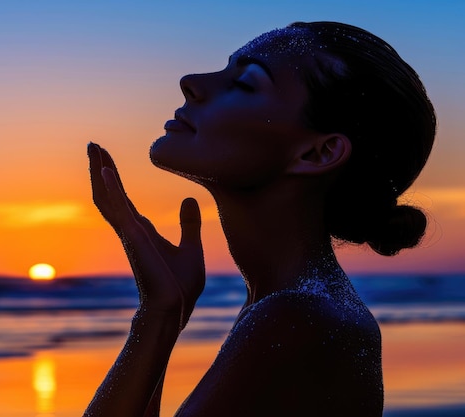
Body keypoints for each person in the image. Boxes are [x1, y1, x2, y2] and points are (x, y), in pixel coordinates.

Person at [84, 21, 435, 416]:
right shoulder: (298, 307)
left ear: (317, 154)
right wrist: (162, 309)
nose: (192, 81)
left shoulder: (299, 320)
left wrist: (158, 319)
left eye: (246, 83)